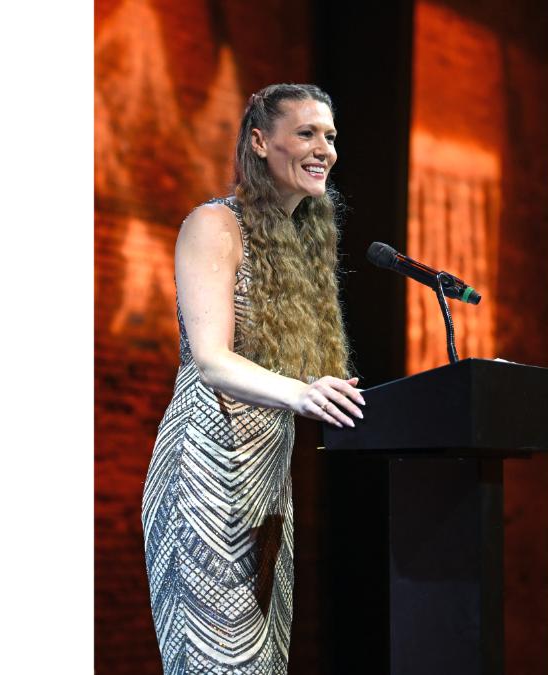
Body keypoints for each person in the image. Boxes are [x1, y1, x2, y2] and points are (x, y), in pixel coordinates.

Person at [140, 83, 366, 674]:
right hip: (204, 472)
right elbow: (211, 358)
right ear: (261, 142)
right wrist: (302, 393)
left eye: (330, 136)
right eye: (306, 133)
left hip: (267, 486)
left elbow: (305, 370)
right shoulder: (214, 224)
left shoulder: (299, 246)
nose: (324, 149)